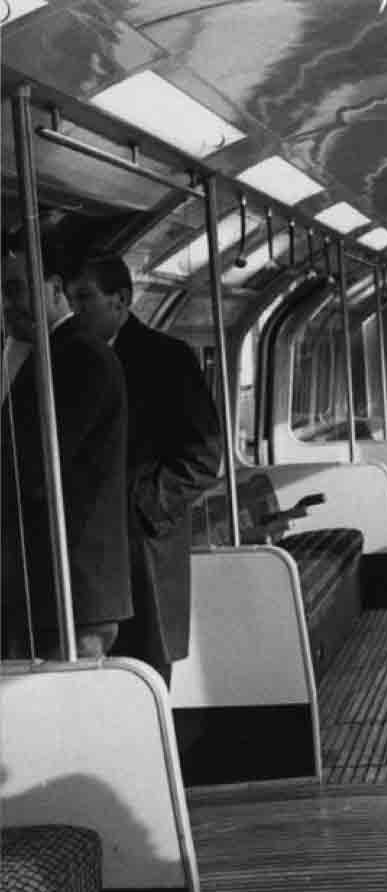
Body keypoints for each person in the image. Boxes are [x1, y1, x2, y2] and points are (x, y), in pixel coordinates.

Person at [65, 253, 227, 686]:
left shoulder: (167, 359)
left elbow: (204, 457)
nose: (75, 309)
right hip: (88, 564)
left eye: (85, 298)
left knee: (146, 679)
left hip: (144, 553)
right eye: (68, 298)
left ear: (121, 300)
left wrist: (138, 508)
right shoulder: (64, 364)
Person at [0, 236, 131, 662]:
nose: (7, 303)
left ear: (55, 289)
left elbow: (34, 467)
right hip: (48, 587)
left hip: (71, 588)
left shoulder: (80, 359)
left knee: (70, 722)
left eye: (16, 289)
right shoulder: (48, 355)